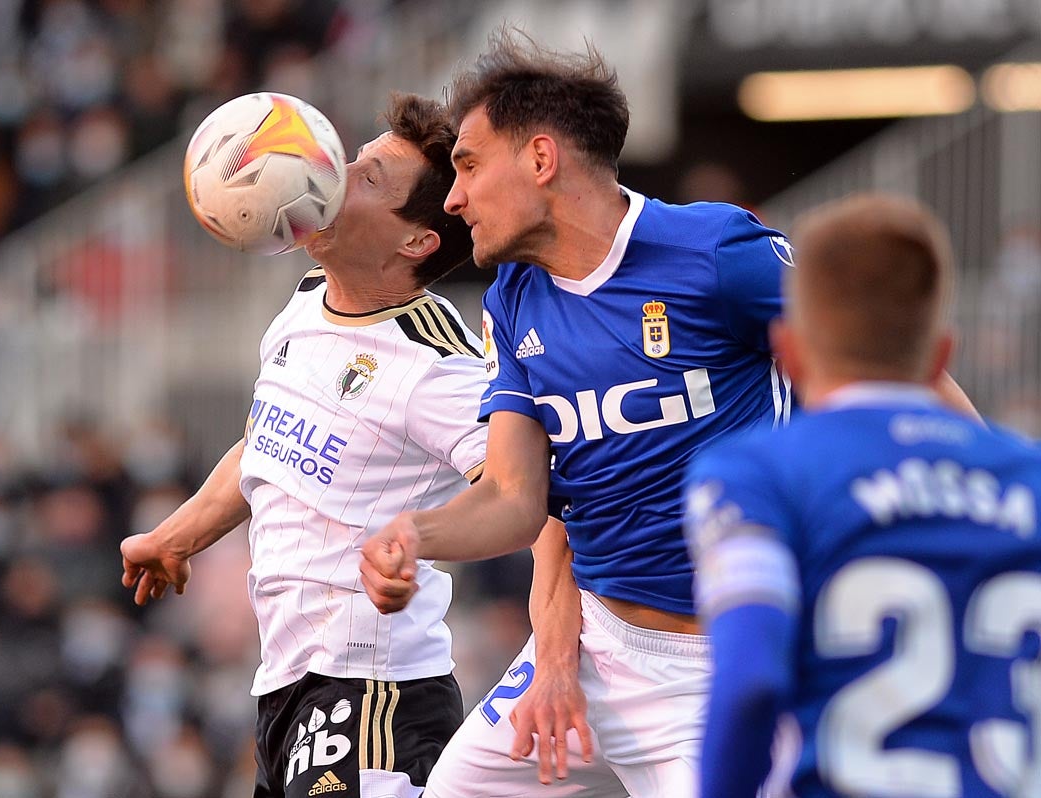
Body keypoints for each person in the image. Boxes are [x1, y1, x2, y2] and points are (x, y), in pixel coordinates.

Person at [358, 30, 978, 797]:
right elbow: (516, 502)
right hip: (597, 649)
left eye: (468, 166)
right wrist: (415, 534)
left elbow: (886, 366)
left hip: (721, 665)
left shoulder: (716, 252)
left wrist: (983, 483)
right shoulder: (513, 299)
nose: (453, 199)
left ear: (541, 160)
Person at [119, 92, 484, 798]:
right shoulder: (304, 303)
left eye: (370, 179)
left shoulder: (437, 365)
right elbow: (265, 446)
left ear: (416, 241)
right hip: (287, 686)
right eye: (352, 159)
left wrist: (418, 537)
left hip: (375, 689)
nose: (337, 175)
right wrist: (176, 536)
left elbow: (516, 490)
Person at [683, 194, 1041, 798]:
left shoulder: (756, 474)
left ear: (788, 351)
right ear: (941, 356)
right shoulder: (1026, 476)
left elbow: (749, 680)